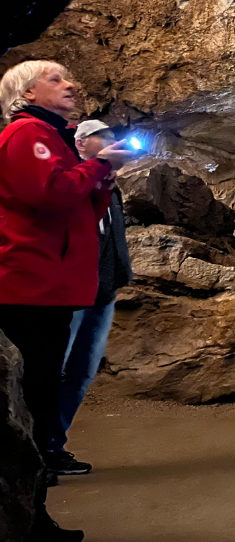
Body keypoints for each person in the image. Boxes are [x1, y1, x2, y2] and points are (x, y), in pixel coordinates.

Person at [0, 61, 136, 542]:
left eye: (69, 77)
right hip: (30, 287)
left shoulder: (52, 138)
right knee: (34, 400)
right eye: (55, 79)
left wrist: (104, 176)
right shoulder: (26, 134)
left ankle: (32, 515)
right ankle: (28, 520)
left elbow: (79, 209)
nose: (70, 84)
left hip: (48, 287)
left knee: (40, 396)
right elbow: (50, 195)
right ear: (26, 91)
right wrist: (100, 165)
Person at [44, 120, 134, 476]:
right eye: (106, 138)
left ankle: (53, 445)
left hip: (102, 290)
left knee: (81, 371)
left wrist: (118, 276)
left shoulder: (110, 188)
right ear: (81, 144)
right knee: (52, 370)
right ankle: (37, 450)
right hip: (69, 294)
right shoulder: (67, 184)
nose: (115, 144)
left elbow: (110, 236)